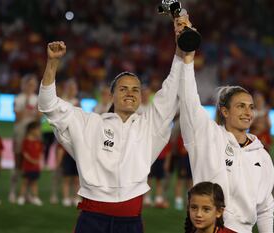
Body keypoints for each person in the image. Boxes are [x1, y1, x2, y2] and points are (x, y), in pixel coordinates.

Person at [38, 19, 188, 232]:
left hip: (131, 222)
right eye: (124, 88)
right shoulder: (89, 122)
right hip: (92, 220)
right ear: (112, 95)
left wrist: (180, 49)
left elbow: (171, 89)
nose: (130, 93)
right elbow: (48, 105)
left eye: (135, 89)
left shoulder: (150, 127)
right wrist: (52, 64)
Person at [177, 17, 274, 233]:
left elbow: (266, 208)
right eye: (240, 106)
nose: (248, 112)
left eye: (250, 107)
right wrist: (187, 58)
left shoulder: (262, 156)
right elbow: (188, 101)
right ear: (224, 111)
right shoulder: (206, 137)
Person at [9, 74, 40, 203]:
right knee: (18, 162)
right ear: (24, 85)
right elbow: (17, 118)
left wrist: (29, 112)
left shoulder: (37, 99)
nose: (31, 87)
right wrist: (29, 109)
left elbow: (39, 117)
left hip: (33, 135)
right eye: (29, 84)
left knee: (30, 164)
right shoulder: (19, 98)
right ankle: (13, 191)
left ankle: (26, 193)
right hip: (20, 132)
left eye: (33, 85)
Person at [17, 121, 44, 206]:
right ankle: (21, 197)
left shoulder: (39, 142)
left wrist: (38, 161)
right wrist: (32, 160)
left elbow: (40, 153)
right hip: (27, 166)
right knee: (25, 182)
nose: (39, 131)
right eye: (38, 129)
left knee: (34, 182)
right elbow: (24, 153)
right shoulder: (26, 141)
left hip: (36, 167)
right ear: (31, 130)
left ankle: (35, 197)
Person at [144, 142, 172, 208]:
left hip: (161, 160)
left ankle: (158, 199)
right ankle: (147, 199)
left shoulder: (165, 138)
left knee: (159, 181)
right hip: (151, 159)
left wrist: (167, 162)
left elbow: (168, 152)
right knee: (149, 180)